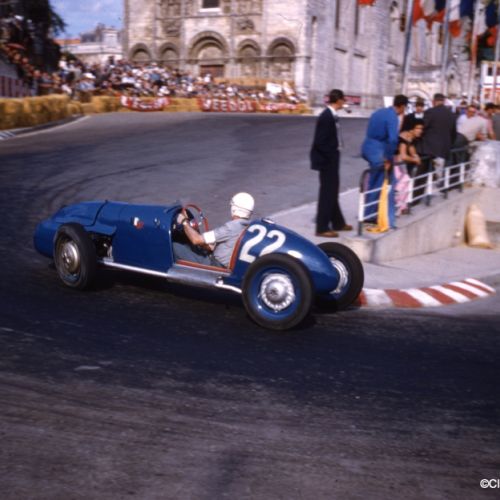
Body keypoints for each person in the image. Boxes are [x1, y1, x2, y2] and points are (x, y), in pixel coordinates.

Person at [361, 94, 409, 229]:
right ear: (402, 106)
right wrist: (388, 158)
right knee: (385, 185)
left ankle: (370, 215)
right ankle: (384, 219)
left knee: (373, 183)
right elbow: (393, 139)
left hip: (368, 147)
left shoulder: (378, 112)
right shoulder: (393, 117)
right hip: (379, 152)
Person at [310, 88, 352, 238]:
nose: (344, 103)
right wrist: (331, 156)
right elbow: (320, 141)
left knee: (333, 191)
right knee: (327, 193)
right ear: (339, 100)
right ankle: (322, 227)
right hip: (327, 160)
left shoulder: (331, 115)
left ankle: (338, 222)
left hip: (332, 158)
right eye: (343, 100)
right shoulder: (326, 116)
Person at [173, 192, 254, 268]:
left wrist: (184, 222)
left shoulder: (231, 227)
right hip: (227, 265)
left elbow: (196, 240)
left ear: (234, 209)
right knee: (193, 247)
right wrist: (205, 245)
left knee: (174, 246)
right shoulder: (249, 226)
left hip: (214, 265)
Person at [394, 119, 424, 212]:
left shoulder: (410, 137)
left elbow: (411, 149)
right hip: (395, 163)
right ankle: (399, 206)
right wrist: (414, 160)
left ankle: (402, 207)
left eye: (421, 129)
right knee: (404, 181)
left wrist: (416, 156)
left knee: (405, 182)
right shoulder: (404, 137)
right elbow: (403, 156)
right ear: (411, 129)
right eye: (418, 128)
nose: (420, 131)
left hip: (398, 163)